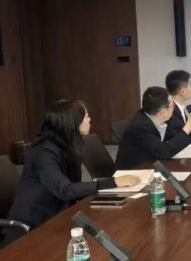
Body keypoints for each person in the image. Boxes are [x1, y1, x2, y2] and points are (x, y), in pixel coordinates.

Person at [2, 99, 141, 245]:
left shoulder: (69, 145)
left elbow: (73, 188)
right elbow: (65, 190)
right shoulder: (44, 152)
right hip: (31, 228)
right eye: (86, 116)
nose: (89, 119)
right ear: (72, 121)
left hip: (58, 217)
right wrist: (113, 182)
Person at [115, 87, 191, 170]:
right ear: (162, 111)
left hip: (152, 164)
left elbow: (180, 131)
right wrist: (189, 125)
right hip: (133, 172)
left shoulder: (161, 118)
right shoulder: (140, 128)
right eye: (172, 105)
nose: (174, 108)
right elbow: (164, 152)